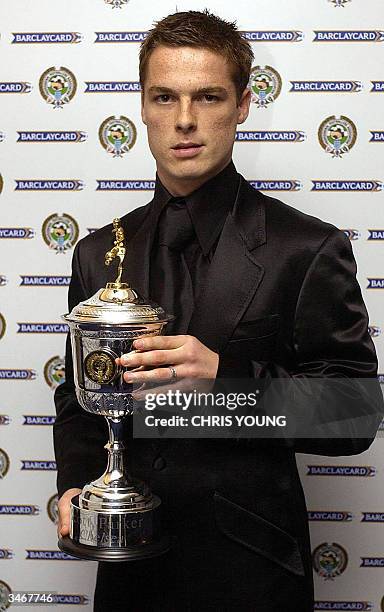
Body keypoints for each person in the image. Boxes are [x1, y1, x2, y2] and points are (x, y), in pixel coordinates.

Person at [54, 10, 383, 611]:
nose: (185, 120)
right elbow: (80, 401)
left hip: (251, 574)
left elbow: (354, 415)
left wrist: (223, 380)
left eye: (208, 96)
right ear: (143, 106)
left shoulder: (306, 248)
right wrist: (76, 486)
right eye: (165, 97)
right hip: (128, 573)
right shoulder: (98, 252)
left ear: (243, 105)